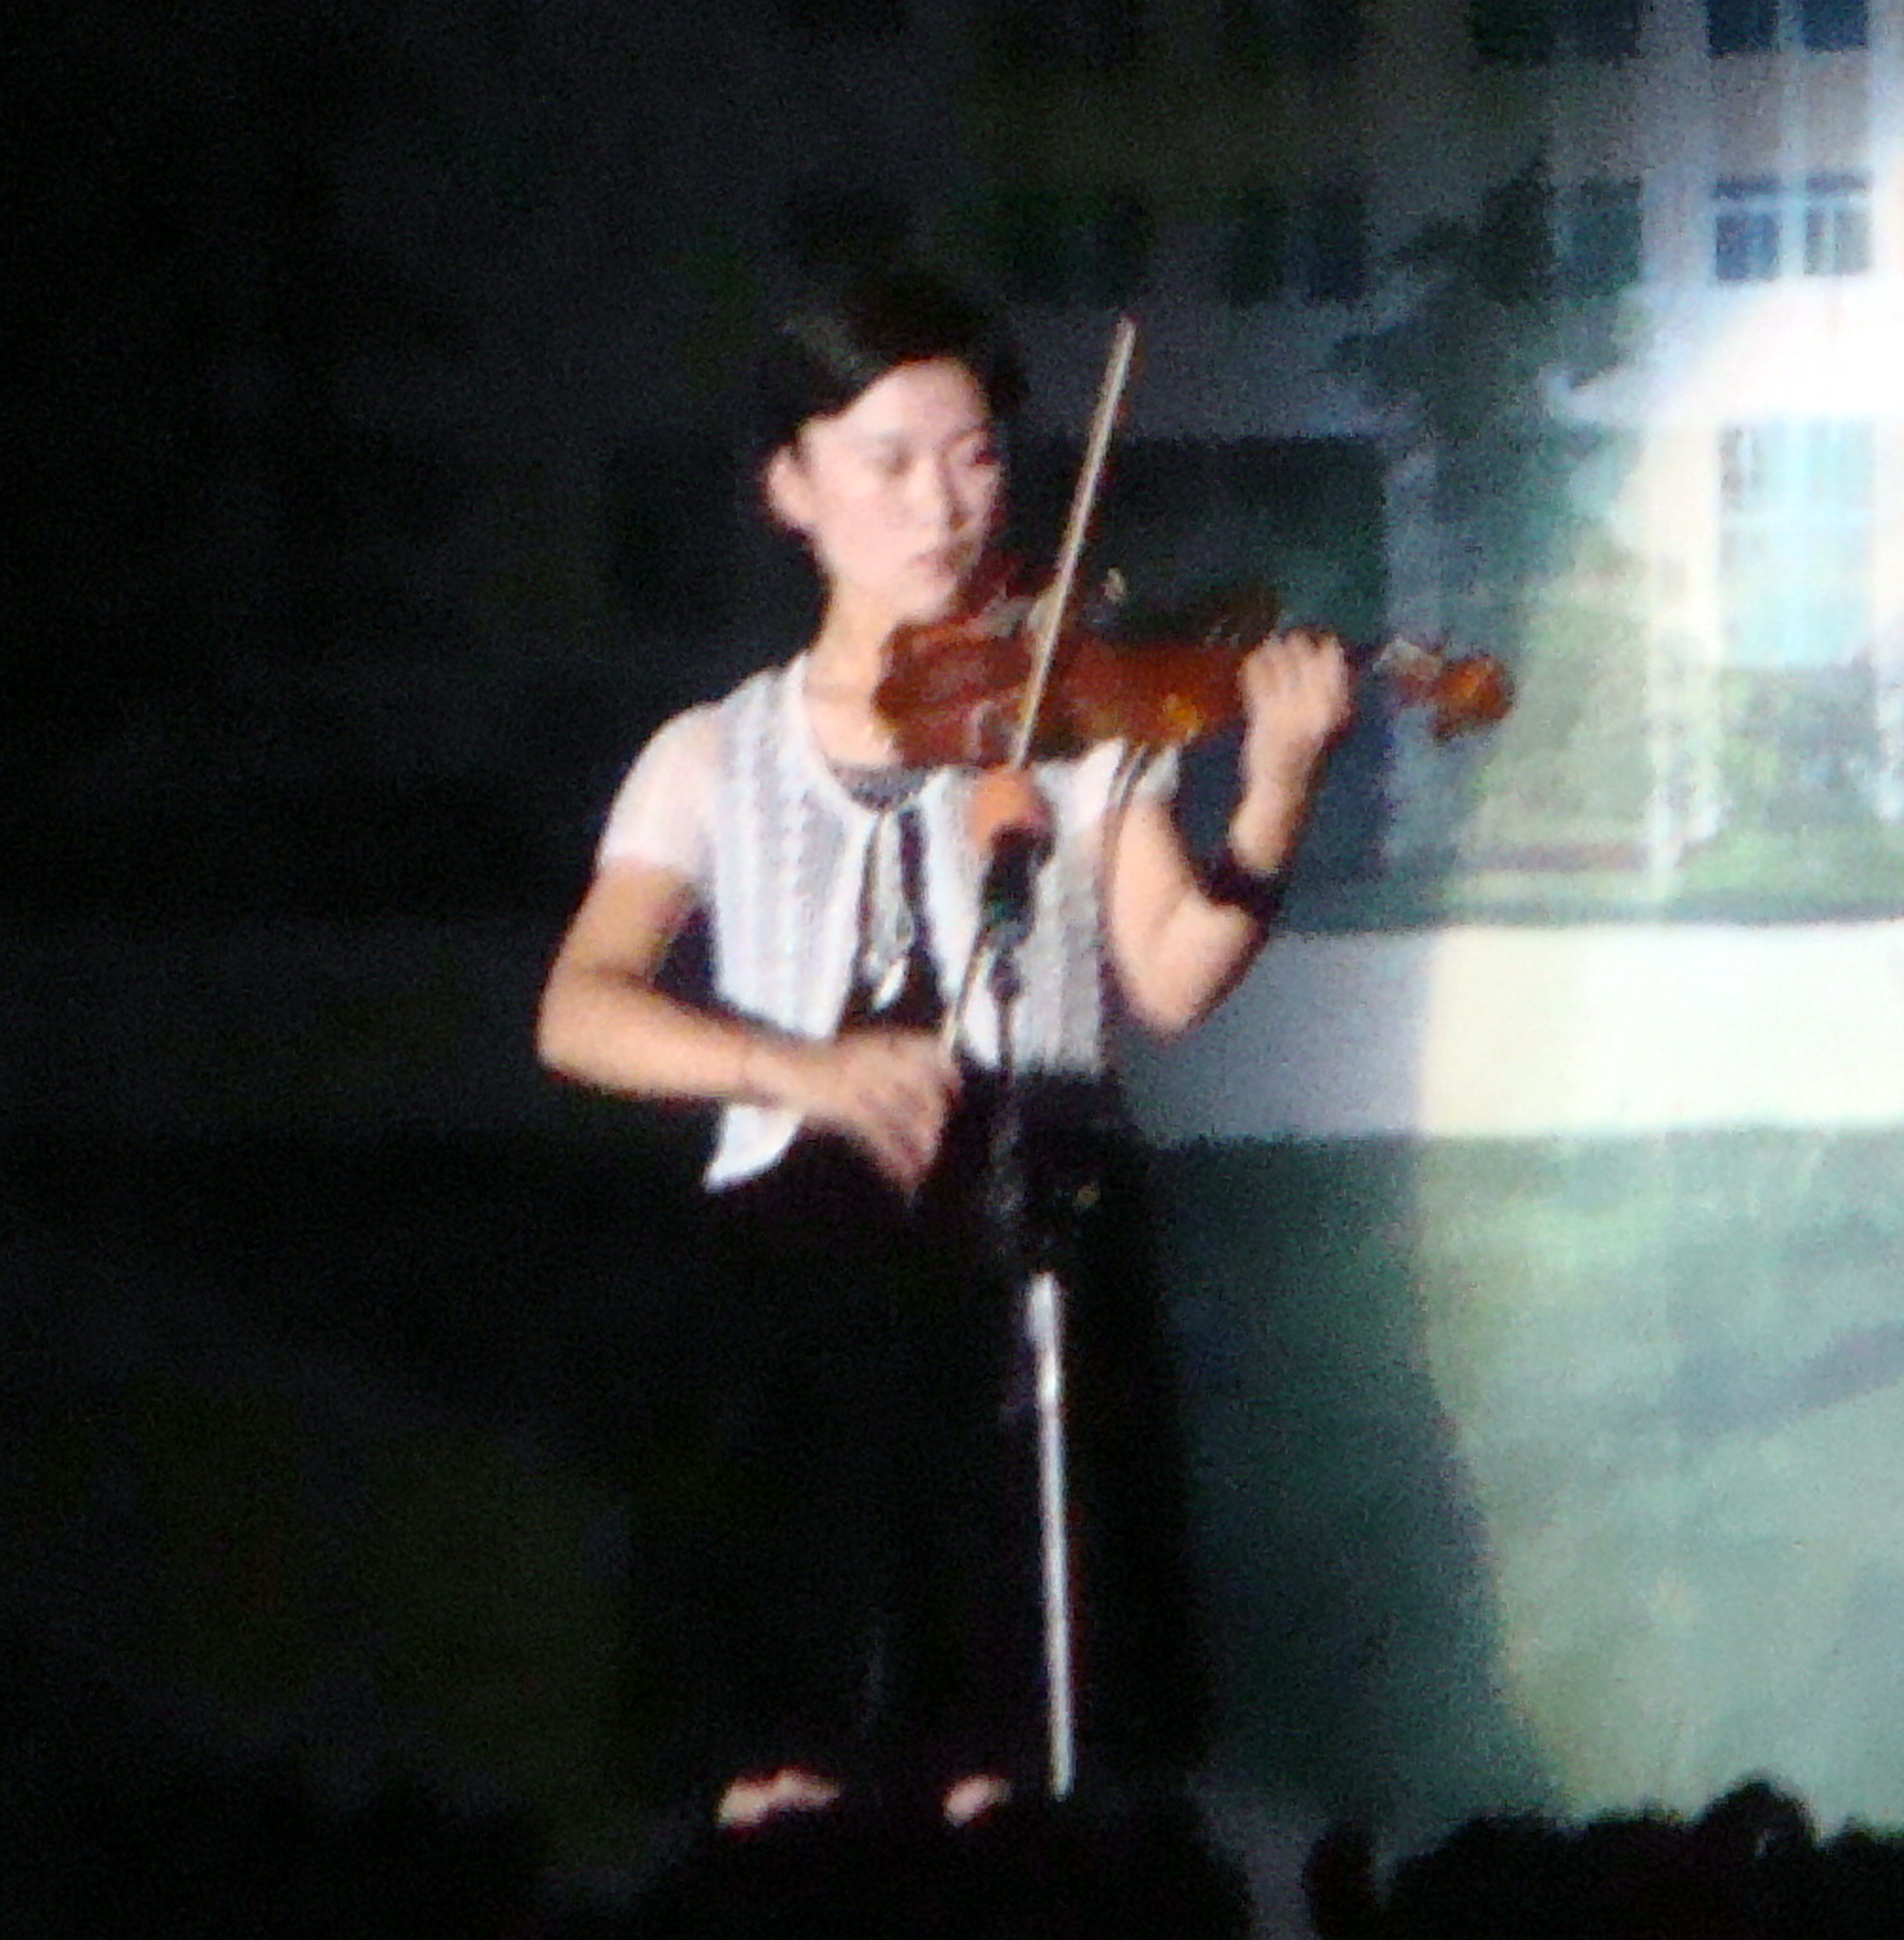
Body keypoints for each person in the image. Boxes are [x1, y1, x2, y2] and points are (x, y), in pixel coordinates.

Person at [538, 267, 1351, 1832]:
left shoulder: (1079, 722)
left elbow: (1172, 976)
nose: (943, 505)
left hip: (1034, 1247)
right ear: (791, 486)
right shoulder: (715, 753)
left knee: (1020, 1754)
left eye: (974, 457)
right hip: (803, 1286)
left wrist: (1278, 796)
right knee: (790, 1761)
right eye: (890, 460)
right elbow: (581, 1009)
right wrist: (799, 1070)